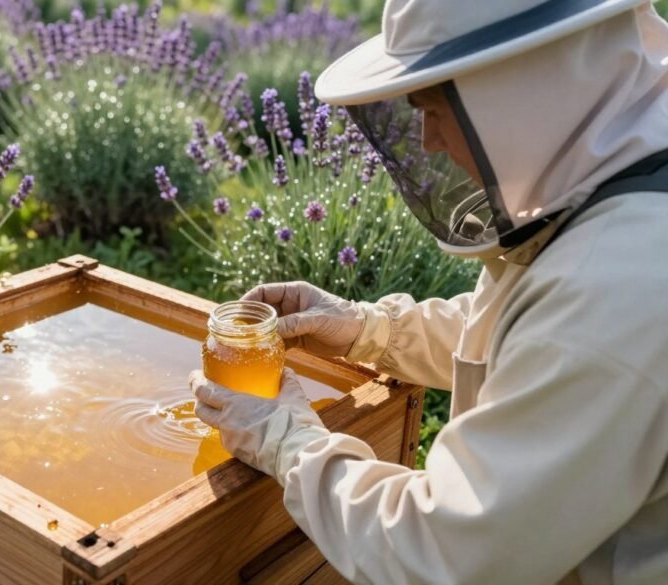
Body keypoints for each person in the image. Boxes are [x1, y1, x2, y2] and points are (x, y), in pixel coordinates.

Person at [188, 1, 668, 583]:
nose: (429, 140)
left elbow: (446, 554)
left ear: (523, 90)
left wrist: (286, 439)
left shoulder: (615, 289)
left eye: (435, 108)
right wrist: (372, 329)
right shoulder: (628, 183)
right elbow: (537, 335)